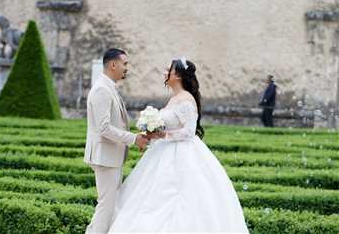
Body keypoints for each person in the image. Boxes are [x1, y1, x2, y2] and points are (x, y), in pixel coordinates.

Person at [108, 57, 249, 233]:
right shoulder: (175, 98)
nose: (165, 72)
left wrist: (162, 134)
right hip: (164, 150)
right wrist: (152, 130)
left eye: (169, 69)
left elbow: (188, 132)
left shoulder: (186, 100)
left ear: (178, 76)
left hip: (182, 153)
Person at [84, 48, 149, 234]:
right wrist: (133, 139)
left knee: (110, 207)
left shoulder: (108, 87)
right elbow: (104, 129)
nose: (126, 68)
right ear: (113, 65)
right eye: (125, 63)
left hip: (111, 157)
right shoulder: (101, 90)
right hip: (105, 157)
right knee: (106, 207)